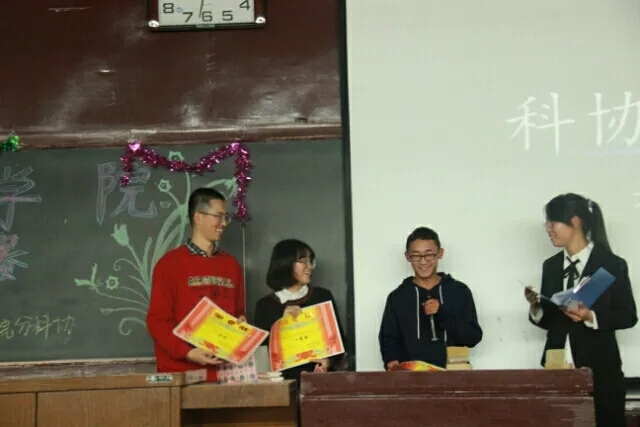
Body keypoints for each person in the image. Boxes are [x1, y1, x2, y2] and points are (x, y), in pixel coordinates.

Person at [525, 193, 637, 427]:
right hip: (557, 367)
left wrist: (590, 316)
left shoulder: (611, 264)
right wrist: (536, 307)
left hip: (600, 370)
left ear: (574, 221)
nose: (548, 228)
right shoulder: (551, 266)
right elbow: (551, 321)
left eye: (553, 222)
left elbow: (628, 315)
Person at [146, 187, 245, 382]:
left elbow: (238, 312)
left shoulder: (231, 265)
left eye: (226, 217)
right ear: (198, 217)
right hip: (182, 376)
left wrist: (240, 324)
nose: (224, 223)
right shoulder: (169, 264)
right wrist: (188, 352)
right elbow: (157, 321)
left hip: (224, 376)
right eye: (218, 216)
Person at [379, 226, 483, 370]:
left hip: (454, 375)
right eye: (416, 256)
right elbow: (389, 340)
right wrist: (392, 362)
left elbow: (473, 337)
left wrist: (442, 313)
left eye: (429, 255)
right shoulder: (397, 297)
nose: (423, 262)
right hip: (411, 376)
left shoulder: (459, 291)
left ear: (440, 253)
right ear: (407, 257)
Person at [254, 239, 346, 381]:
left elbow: (339, 342)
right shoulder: (265, 305)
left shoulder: (322, 296)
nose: (309, 267)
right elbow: (263, 354)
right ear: (286, 263)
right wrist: (282, 325)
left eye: (310, 261)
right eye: (303, 261)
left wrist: (328, 362)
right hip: (282, 384)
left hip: (319, 381)